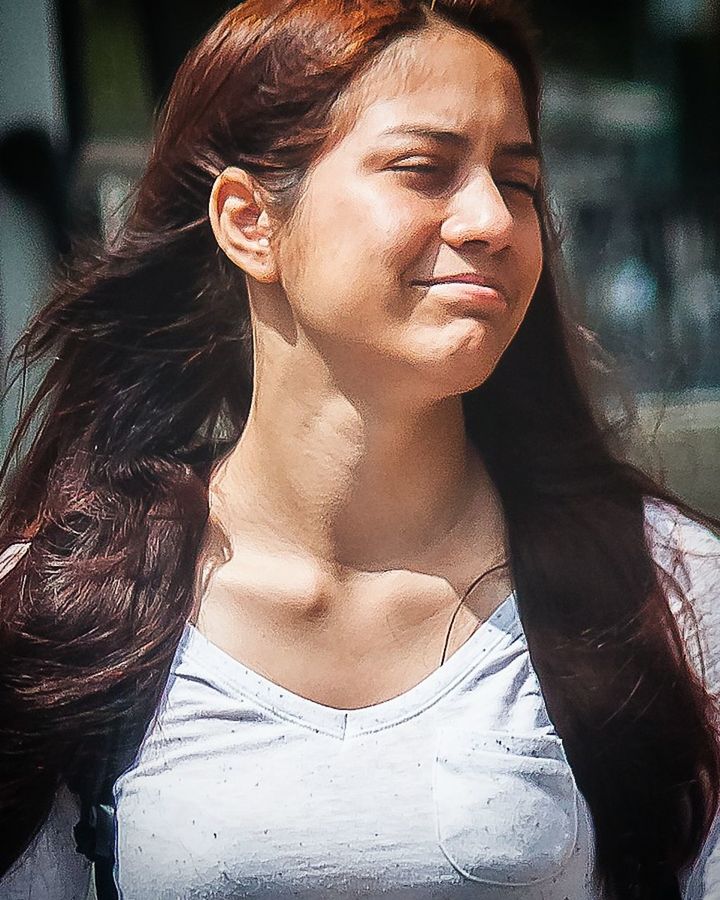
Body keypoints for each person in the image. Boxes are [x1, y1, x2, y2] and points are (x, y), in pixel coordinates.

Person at [1, 0, 719, 898]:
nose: (494, 220)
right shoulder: (69, 612)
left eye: (521, 182)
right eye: (423, 168)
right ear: (248, 221)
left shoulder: (667, 593)